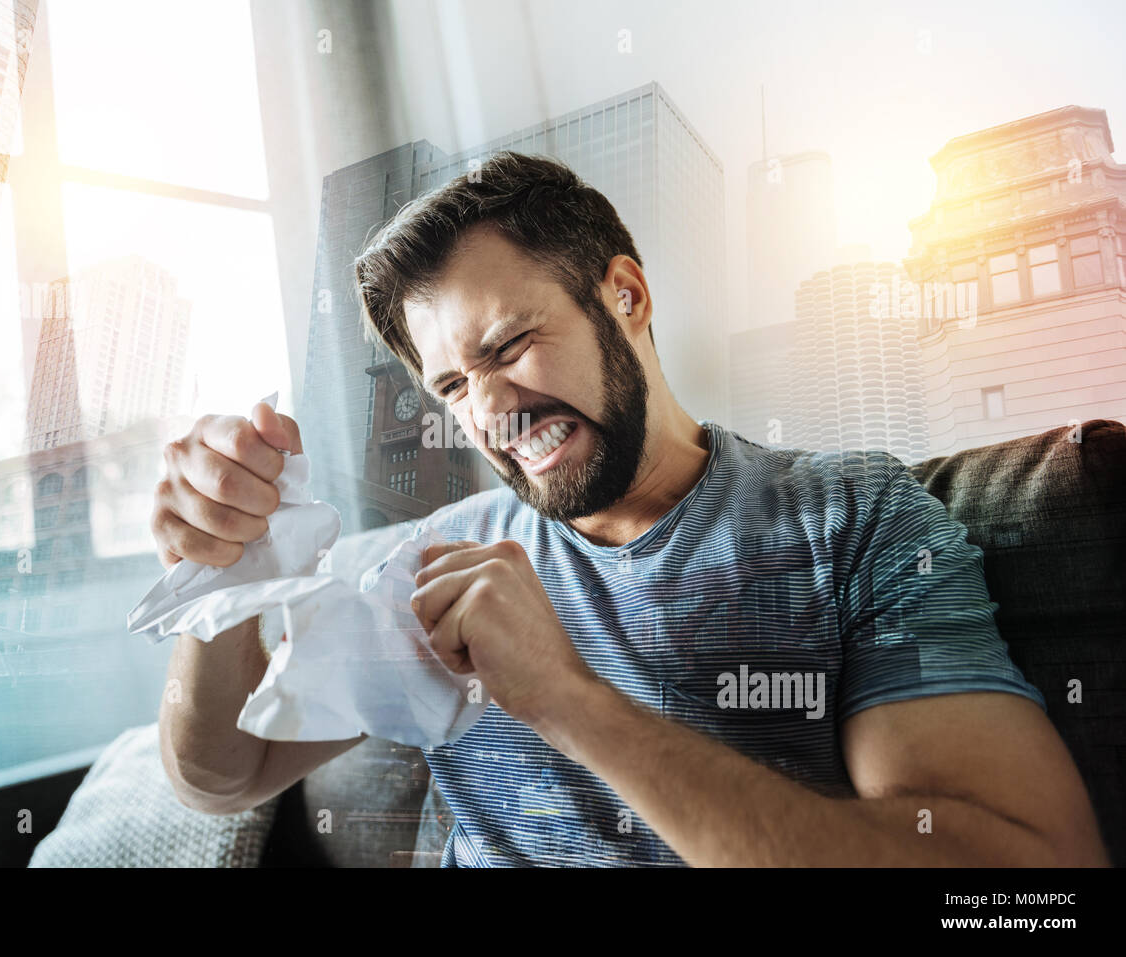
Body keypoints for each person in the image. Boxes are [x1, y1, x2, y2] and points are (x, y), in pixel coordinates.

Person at [150, 151, 1108, 867]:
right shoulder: (432, 562)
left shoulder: (852, 521)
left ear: (627, 294)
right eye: (450, 385)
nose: (488, 413)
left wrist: (568, 700)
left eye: (510, 345)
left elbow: (1027, 892)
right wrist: (222, 573)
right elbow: (220, 776)